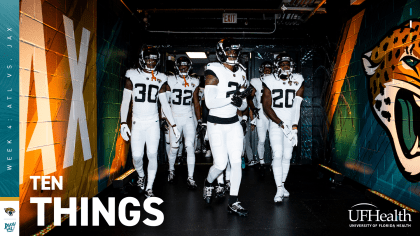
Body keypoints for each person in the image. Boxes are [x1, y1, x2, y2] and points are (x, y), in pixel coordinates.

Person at [120, 46, 180, 198]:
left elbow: (164, 104)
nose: (151, 62)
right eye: (148, 59)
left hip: (153, 121)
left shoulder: (161, 77)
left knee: (152, 153)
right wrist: (123, 123)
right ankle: (141, 176)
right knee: (137, 156)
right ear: (142, 59)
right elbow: (125, 101)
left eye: (153, 59)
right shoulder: (132, 75)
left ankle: (149, 187)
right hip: (137, 122)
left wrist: (173, 125)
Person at [202, 37, 251, 216]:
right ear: (222, 52)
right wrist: (232, 99)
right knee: (221, 164)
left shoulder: (242, 73)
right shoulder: (213, 70)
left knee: (236, 162)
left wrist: (240, 102)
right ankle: (208, 182)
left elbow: (244, 106)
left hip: (233, 123)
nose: (232, 55)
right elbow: (210, 103)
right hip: (215, 123)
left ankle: (233, 201)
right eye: (229, 51)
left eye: (235, 52)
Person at [261, 52, 304, 202]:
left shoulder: (298, 79)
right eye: (282, 64)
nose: (286, 67)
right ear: (276, 66)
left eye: (288, 64)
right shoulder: (269, 80)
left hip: (290, 122)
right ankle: (278, 189)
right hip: (275, 122)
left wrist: (294, 127)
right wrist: (280, 123)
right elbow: (266, 106)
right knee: (277, 153)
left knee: (288, 156)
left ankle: (283, 185)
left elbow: (297, 106)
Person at [166, 56, 201, 189]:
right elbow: (165, 101)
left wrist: (200, 121)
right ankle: (171, 171)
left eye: (185, 66)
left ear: (189, 66)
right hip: (174, 116)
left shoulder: (194, 81)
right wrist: (165, 119)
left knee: (190, 146)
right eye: (181, 66)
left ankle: (190, 177)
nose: (183, 68)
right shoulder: (170, 80)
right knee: (174, 147)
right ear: (176, 66)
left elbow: (196, 103)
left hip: (188, 117)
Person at [248, 61, 274, 176]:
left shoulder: (276, 82)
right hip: (261, 114)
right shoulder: (256, 82)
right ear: (261, 70)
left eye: (269, 69)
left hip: (273, 114)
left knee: (274, 141)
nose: (267, 71)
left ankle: (274, 162)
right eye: (265, 69)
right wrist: (253, 109)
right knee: (262, 140)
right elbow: (250, 97)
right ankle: (262, 162)